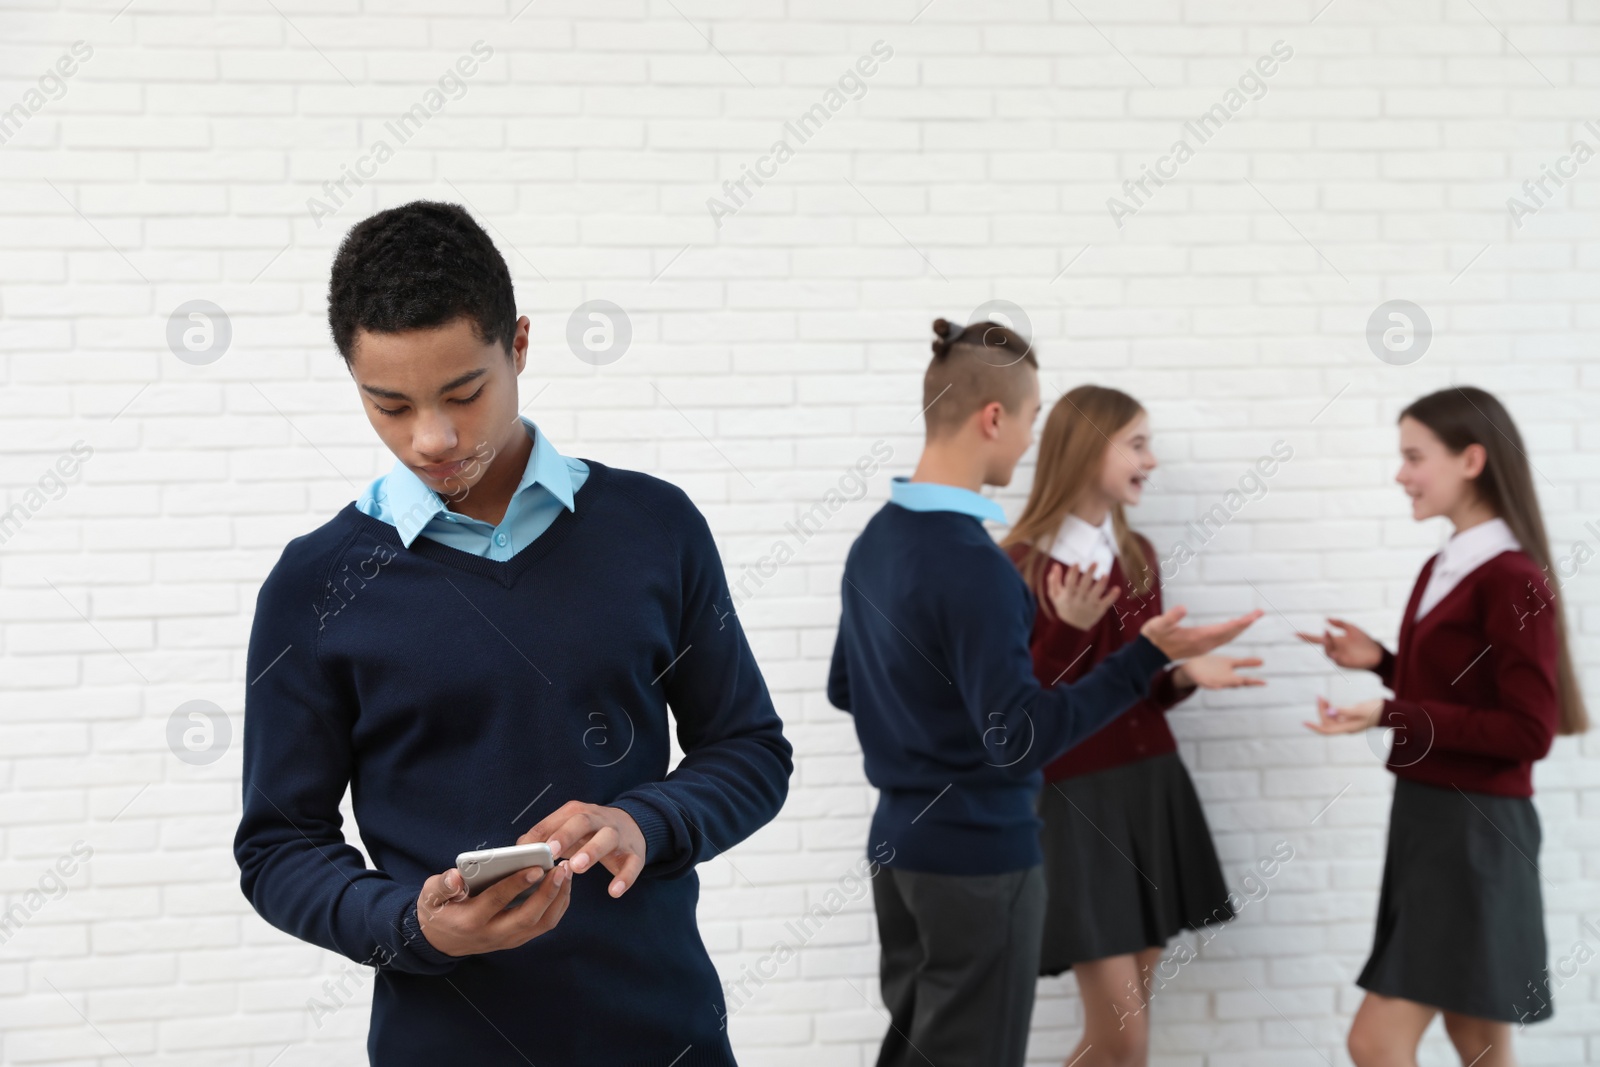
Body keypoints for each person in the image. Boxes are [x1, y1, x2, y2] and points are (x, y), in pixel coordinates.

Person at [233, 200, 792, 1066]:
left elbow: (751, 748)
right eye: (389, 405)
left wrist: (649, 819)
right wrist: (410, 921)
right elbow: (278, 847)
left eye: (465, 392)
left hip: (664, 1032)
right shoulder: (315, 585)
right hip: (444, 1043)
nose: (433, 438)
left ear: (519, 344)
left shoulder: (655, 526)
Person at [827, 318, 1262, 1067]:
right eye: (1029, 419)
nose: (1030, 441)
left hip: (901, 849)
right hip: (977, 858)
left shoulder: (876, 540)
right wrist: (1142, 658)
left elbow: (846, 686)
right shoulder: (978, 563)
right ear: (994, 417)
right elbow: (1018, 735)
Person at [1300, 386, 1587, 1067]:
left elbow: (1526, 731)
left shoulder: (1511, 578)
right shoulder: (1448, 563)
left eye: (1414, 456)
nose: (1401, 474)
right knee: (1477, 1037)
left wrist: (1393, 712)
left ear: (1472, 460)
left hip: (1474, 832)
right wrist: (1384, 664)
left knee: (1374, 1041)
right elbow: (1463, 695)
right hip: (1433, 819)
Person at [1000, 384, 1265, 1066]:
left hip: (1150, 786)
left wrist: (1183, 674)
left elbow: (1136, 686)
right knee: (1124, 1038)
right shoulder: (1019, 564)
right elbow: (1018, 707)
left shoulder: (1137, 553)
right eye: (1138, 443)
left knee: (1124, 1036)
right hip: (1076, 805)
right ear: (1090, 450)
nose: (1153, 459)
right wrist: (1064, 626)